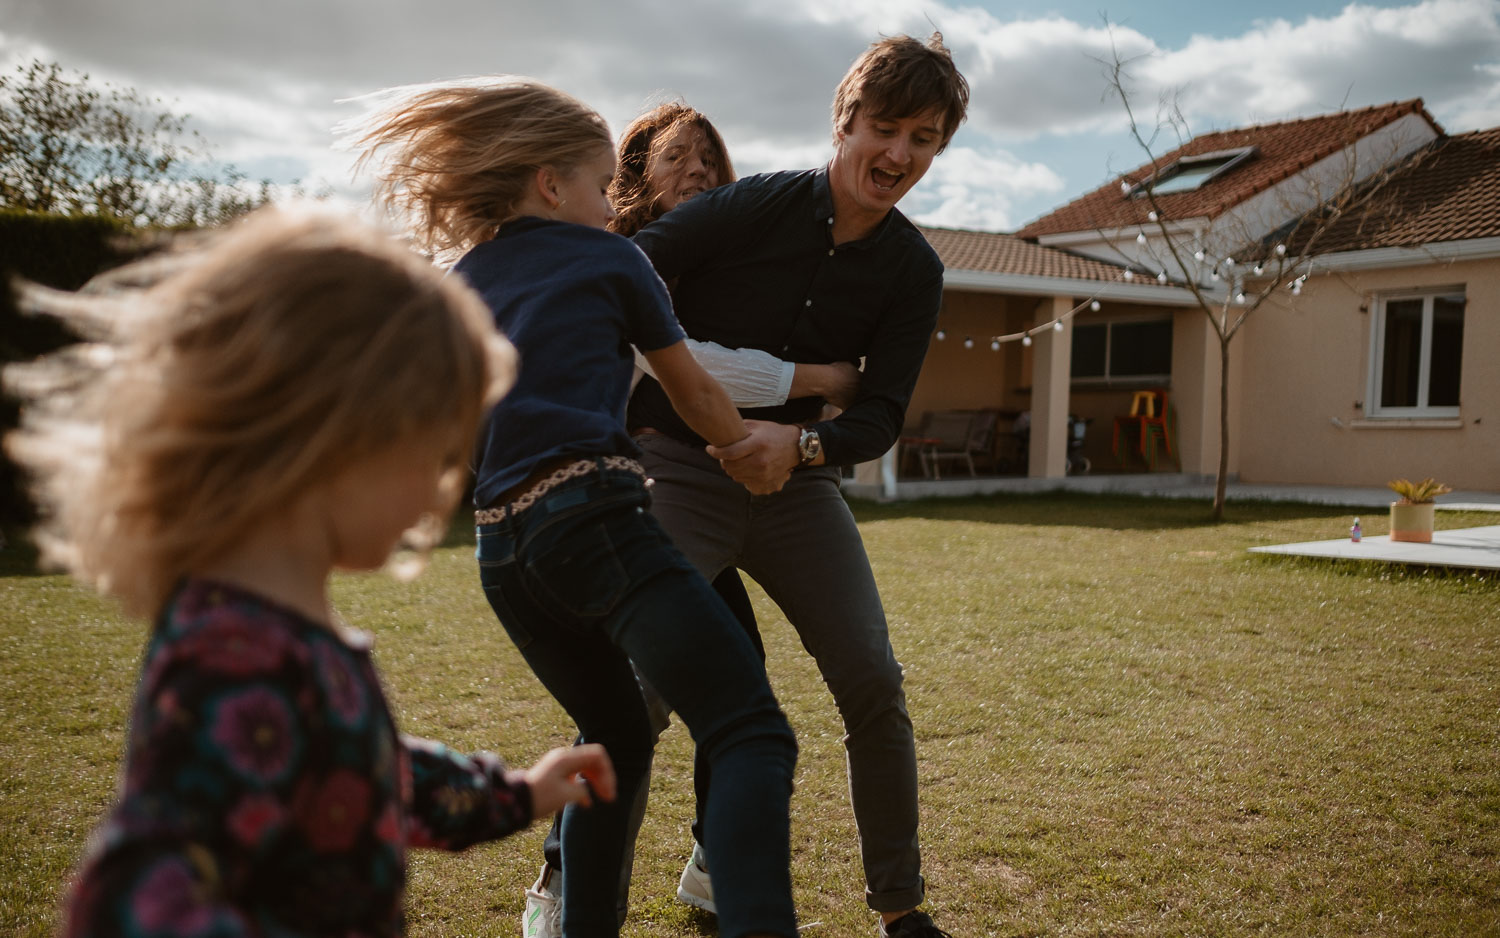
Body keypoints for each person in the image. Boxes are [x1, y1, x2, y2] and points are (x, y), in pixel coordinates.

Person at [3, 206, 618, 937]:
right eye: (436, 453)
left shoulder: (276, 632)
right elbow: (135, 893)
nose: (441, 492)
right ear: (335, 439)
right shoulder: (232, 659)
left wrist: (516, 794)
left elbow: (367, 773)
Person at [350, 79, 800, 938]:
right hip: (594, 518)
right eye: (602, 187)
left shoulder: (461, 283)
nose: (611, 207)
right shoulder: (613, 259)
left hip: (502, 555)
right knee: (752, 732)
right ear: (551, 186)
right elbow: (694, 391)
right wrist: (747, 454)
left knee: (616, 742)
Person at [624, 34, 970, 938]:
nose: (899, 155)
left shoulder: (914, 271)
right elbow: (632, 271)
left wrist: (800, 447)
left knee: (873, 682)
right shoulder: (752, 207)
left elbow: (880, 416)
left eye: (923, 139)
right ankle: (573, 894)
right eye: (885, 129)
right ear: (845, 122)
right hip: (680, 472)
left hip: (800, 493)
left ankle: (901, 908)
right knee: (638, 695)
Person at [523, 101, 861, 936]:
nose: (702, 171)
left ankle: (712, 862)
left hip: (715, 493)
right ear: (634, 170)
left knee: (726, 681)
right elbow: (687, 364)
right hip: (634, 495)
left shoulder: (722, 260)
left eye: (712, 159)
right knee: (637, 696)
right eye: (680, 157)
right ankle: (564, 882)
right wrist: (811, 378)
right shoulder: (624, 254)